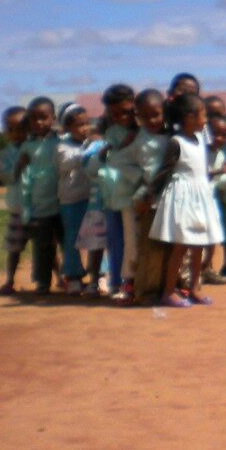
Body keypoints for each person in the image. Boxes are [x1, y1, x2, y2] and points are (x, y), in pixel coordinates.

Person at [146, 94, 225, 307]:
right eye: (203, 115)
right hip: (183, 198)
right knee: (181, 247)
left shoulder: (201, 140)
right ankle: (168, 292)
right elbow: (164, 171)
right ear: (189, 117)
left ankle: (193, 288)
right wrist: (150, 195)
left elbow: (202, 169)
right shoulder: (176, 142)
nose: (206, 119)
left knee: (199, 245)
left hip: (200, 196)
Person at [109, 90, 171, 304]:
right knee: (136, 243)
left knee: (165, 244)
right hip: (144, 199)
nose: (151, 120)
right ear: (138, 117)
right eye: (144, 116)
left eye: (156, 114)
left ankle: (166, 284)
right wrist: (140, 179)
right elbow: (116, 161)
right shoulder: (138, 140)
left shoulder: (173, 136)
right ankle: (130, 283)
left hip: (170, 198)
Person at [55, 104, 105, 295]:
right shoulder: (62, 146)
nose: (84, 128)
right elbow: (66, 163)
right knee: (72, 238)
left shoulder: (90, 144)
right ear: (67, 128)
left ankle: (98, 273)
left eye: (86, 123)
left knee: (96, 236)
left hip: (91, 198)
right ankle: (74, 276)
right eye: (78, 125)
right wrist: (89, 151)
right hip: (70, 200)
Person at [91, 84, 137, 296]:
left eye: (126, 112)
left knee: (133, 240)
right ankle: (116, 282)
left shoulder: (143, 130)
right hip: (113, 194)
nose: (121, 117)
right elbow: (108, 159)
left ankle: (133, 280)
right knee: (115, 239)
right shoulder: (112, 133)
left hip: (135, 195)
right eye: (115, 113)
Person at [14, 97, 62, 295]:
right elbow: (21, 176)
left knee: (68, 243)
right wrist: (26, 207)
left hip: (62, 202)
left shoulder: (61, 142)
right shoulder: (27, 147)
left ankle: (71, 278)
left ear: (53, 118)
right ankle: (43, 282)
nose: (39, 123)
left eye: (43, 118)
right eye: (34, 119)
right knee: (42, 247)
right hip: (39, 205)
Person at [0, 107, 29, 295]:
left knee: (46, 245)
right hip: (18, 206)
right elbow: (7, 177)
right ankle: (10, 281)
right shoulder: (5, 154)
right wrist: (19, 165)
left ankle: (59, 278)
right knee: (14, 247)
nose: (16, 134)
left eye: (22, 129)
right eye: (11, 129)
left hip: (40, 205)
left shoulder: (35, 147)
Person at [201, 113, 226, 284]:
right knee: (208, 234)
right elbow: (203, 175)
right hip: (206, 199)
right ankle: (205, 267)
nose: (219, 138)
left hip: (225, 197)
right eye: (215, 134)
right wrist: (221, 171)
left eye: (224, 134)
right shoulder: (201, 151)